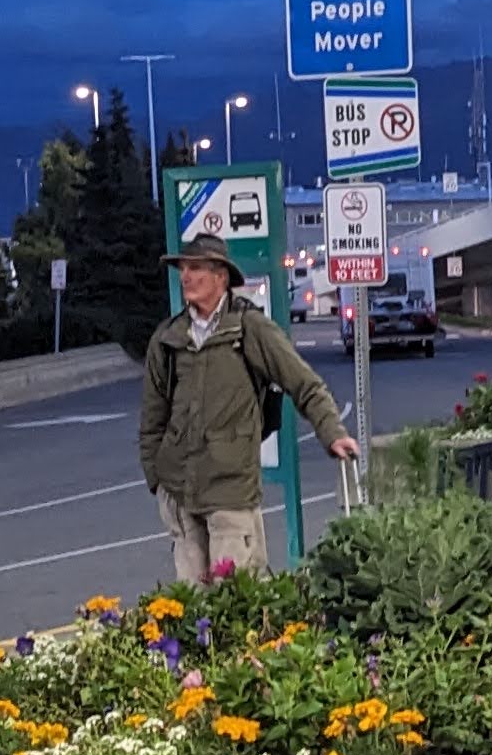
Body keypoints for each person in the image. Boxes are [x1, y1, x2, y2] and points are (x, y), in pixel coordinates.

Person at [138, 234, 358, 582]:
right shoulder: (168, 338)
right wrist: (157, 479)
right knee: (192, 608)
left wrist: (333, 433)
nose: (186, 277)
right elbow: (152, 420)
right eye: (183, 269)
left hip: (231, 489)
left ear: (221, 276)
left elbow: (305, 384)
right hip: (179, 491)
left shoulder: (249, 328)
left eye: (196, 268)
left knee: (235, 601)